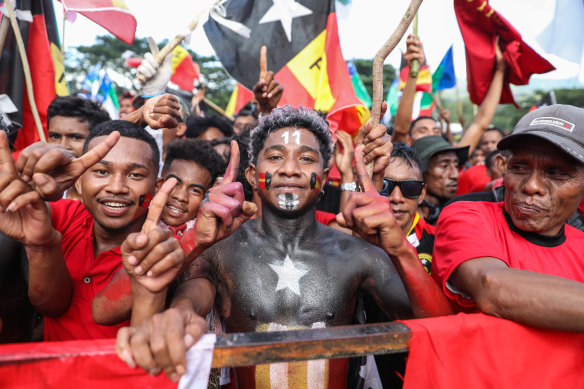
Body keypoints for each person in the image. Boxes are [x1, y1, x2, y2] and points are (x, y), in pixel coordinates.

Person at [116, 106, 452, 385]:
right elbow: (188, 307)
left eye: (306, 159)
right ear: (251, 175)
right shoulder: (220, 251)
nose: (290, 169)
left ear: (325, 176)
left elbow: (442, 330)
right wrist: (175, 319)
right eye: (275, 157)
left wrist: (399, 250)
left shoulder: (357, 254)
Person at [0, 120, 180, 341]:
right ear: (78, 182)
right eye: (102, 171)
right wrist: (24, 182)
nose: (116, 187)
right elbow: (50, 306)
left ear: (157, 186)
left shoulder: (164, 248)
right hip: (52, 374)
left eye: (135, 175)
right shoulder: (61, 216)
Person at [433, 104, 584, 331]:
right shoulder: (468, 216)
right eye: (520, 168)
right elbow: (493, 287)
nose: (531, 186)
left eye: (556, 173)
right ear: (503, 169)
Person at [412, 135, 469, 224]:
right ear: (421, 173)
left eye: (456, 166)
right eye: (444, 166)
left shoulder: (461, 214)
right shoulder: (402, 219)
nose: (455, 175)